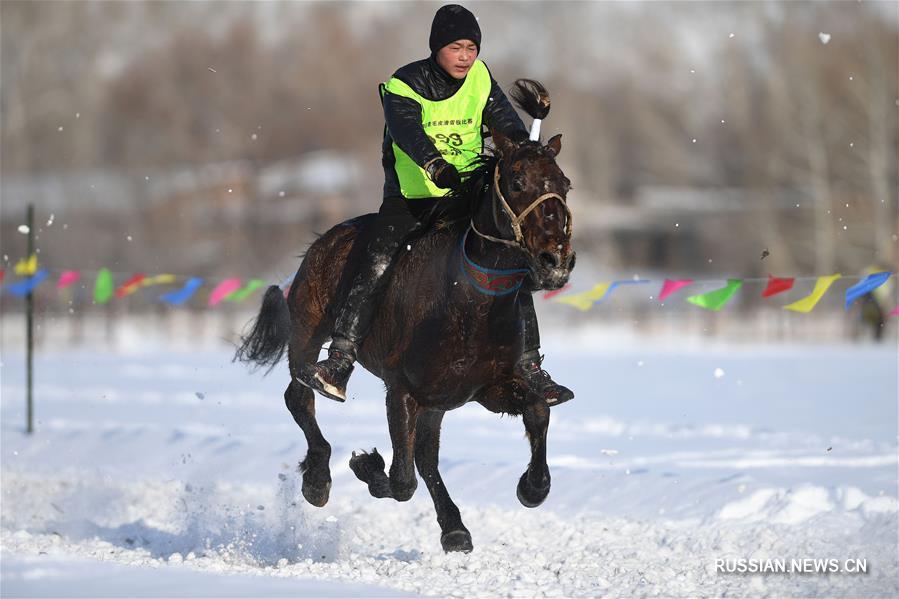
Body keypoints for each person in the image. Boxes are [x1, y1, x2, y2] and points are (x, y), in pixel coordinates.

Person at [298, 4, 574, 406]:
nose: (465, 56)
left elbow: (506, 130)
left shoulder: (480, 79)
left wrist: (527, 152)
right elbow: (408, 134)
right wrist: (434, 165)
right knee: (377, 258)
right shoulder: (403, 85)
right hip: (412, 198)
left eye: (471, 48)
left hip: (465, 195)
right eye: (456, 47)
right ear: (436, 48)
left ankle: (530, 366)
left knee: (508, 257)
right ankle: (340, 358)